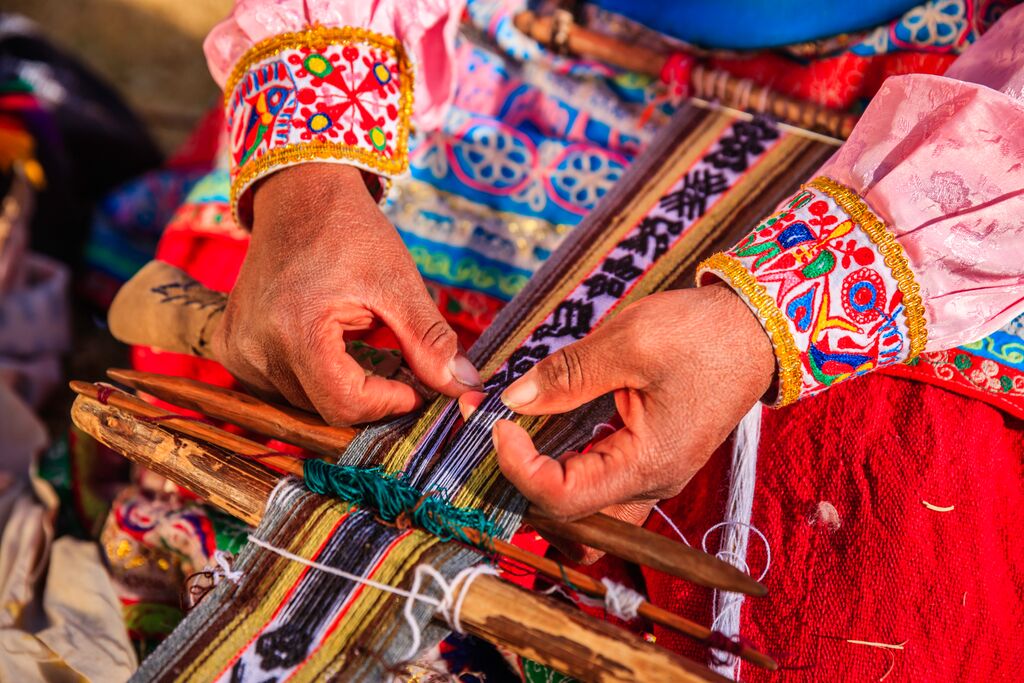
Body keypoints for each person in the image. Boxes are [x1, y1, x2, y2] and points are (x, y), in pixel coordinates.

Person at [108, 0, 1024, 678]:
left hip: (939, 126)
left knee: (871, 585)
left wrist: (769, 317)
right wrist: (309, 179)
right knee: (280, 326)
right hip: (538, 44)